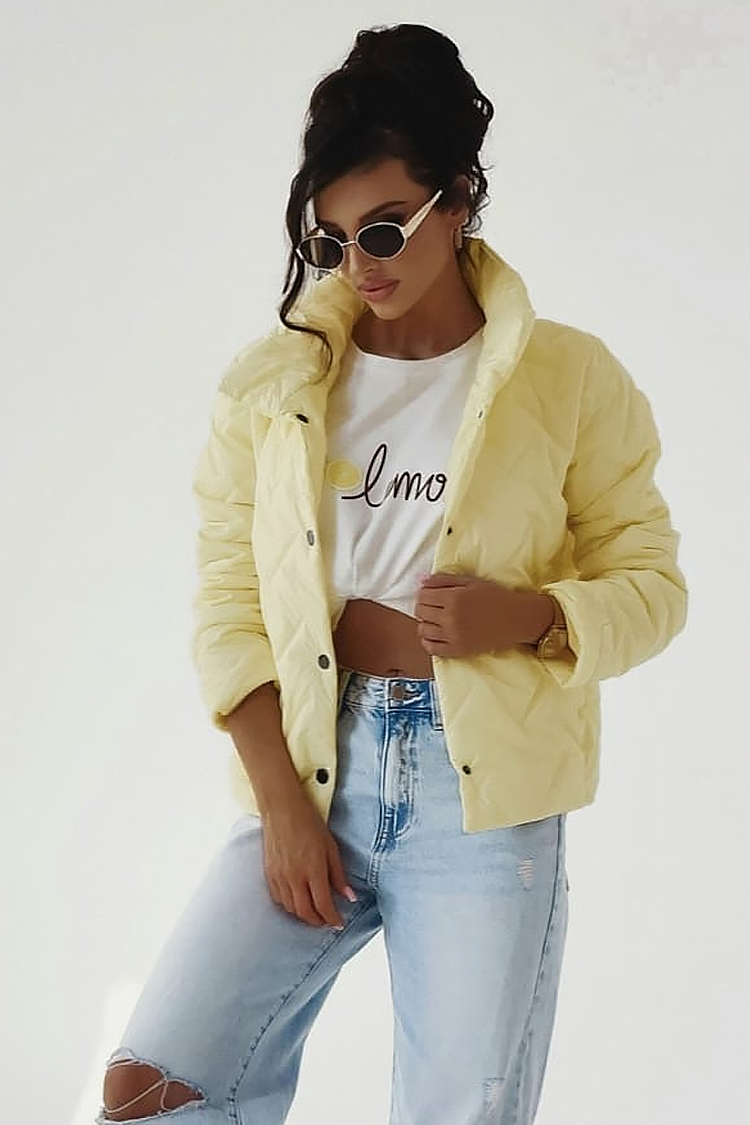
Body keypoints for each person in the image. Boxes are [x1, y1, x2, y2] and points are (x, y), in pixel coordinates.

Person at [97, 22, 687, 1125]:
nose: (360, 264)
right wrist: (283, 808)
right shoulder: (273, 389)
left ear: (457, 198)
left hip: (483, 805)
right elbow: (230, 605)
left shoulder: (569, 378)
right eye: (331, 240)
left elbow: (654, 586)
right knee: (155, 1089)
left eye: (381, 228)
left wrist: (529, 614)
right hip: (316, 764)